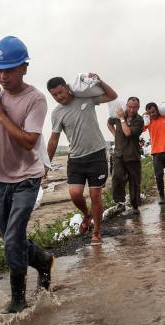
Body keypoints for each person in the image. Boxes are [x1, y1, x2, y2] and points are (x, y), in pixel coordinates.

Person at [0, 36, 54, 314]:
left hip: (27, 179)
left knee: (15, 236)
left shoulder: (35, 99)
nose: (3, 76)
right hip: (0, 180)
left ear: (24, 68)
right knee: (8, 237)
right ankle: (42, 260)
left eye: (9, 70)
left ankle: (18, 298)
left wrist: (2, 115)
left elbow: (30, 141)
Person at [46, 74, 118, 245]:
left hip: (97, 155)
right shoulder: (57, 113)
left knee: (95, 195)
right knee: (75, 194)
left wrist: (100, 81)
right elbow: (54, 139)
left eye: (61, 92)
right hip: (76, 158)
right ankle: (87, 214)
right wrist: (46, 164)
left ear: (67, 87)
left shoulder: (85, 98)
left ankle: (97, 232)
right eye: (54, 95)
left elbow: (112, 96)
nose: (59, 97)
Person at [106, 96, 143, 215]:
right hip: (119, 154)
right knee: (117, 178)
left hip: (132, 155)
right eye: (130, 107)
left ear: (138, 108)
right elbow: (109, 122)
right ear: (126, 105)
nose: (131, 110)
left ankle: (135, 206)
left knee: (134, 181)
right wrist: (115, 134)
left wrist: (122, 118)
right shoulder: (119, 115)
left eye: (135, 107)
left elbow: (127, 133)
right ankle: (120, 204)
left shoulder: (139, 120)